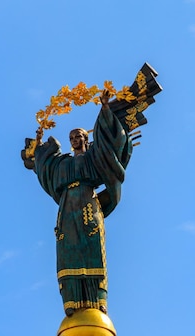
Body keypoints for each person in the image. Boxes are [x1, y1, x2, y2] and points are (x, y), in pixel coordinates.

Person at [31, 90, 132, 317]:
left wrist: (105, 107)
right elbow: (44, 165)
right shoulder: (62, 163)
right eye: (72, 138)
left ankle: (99, 299)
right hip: (67, 207)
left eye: (79, 136)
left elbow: (109, 143)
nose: (75, 140)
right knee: (68, 250)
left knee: (92, 247)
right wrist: (38, 144)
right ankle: (71, 300)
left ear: (86, 139)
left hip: (88, 202)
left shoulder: (93, 157)